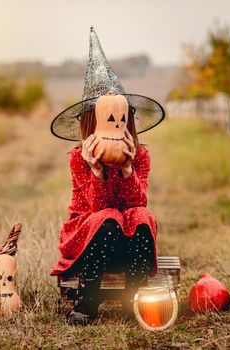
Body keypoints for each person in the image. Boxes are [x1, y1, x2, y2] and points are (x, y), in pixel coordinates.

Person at [49, 27, 165, 325]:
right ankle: (88, 300)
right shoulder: (79, 158)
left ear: (128, 121)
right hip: (90, 239)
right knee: (108, 216)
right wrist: (97, 171)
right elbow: (95, 209)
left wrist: (126, 169)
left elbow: (140, 199)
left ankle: (134, 298)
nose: (115, 124)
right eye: (107, 118)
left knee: (140, 214)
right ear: (92, 122)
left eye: (120, 118)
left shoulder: (140, 155)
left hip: (128, 245)